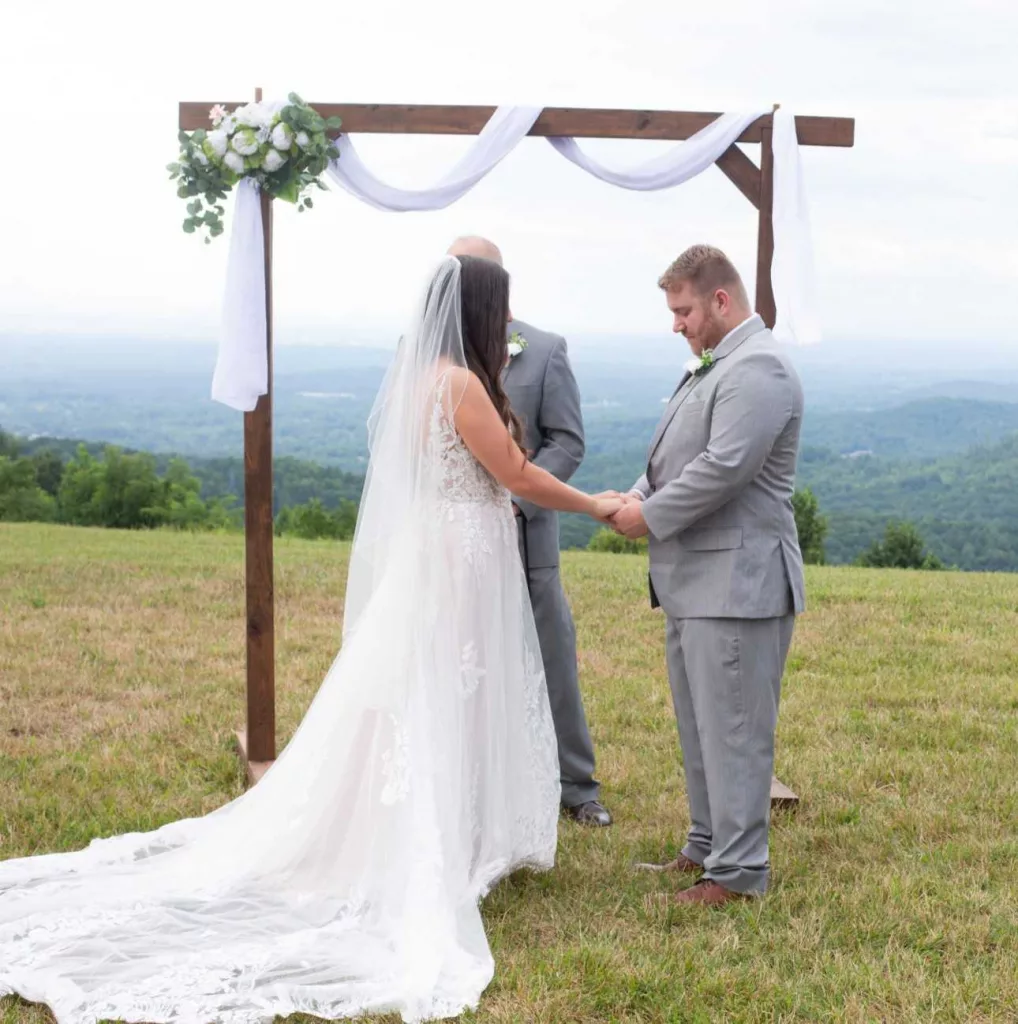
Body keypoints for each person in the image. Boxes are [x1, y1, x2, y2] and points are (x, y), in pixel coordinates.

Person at [0, 256, 622, 1023]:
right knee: (446, 691)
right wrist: (597, 506)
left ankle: (457, 836)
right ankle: (430, 844)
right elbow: (519, 476)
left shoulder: (425, 376)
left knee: (438, 689)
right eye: (502, 310)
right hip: (459, 564)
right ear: (479, 315)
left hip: (446, 556)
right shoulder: (459, 384)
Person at [611, 244, 805, 906]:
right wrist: (637, 496)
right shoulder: (716, 366)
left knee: (736, 733)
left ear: (720, 300)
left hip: (739, 584)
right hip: (696, 583)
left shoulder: (760, 370)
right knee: (701, 727)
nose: (677, 325)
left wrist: (650, 518)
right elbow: (676, 458)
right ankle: (705, 846)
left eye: (684, 310)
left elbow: (723, 468)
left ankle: (739, 871)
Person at [446, 236, 611, 827]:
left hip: (527, 537)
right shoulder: (435, 360)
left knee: (550, 655)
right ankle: (477, 782)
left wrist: (517, 501)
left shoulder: (544, 350)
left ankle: (576, 785)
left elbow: (568, 440)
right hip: (458, 545)